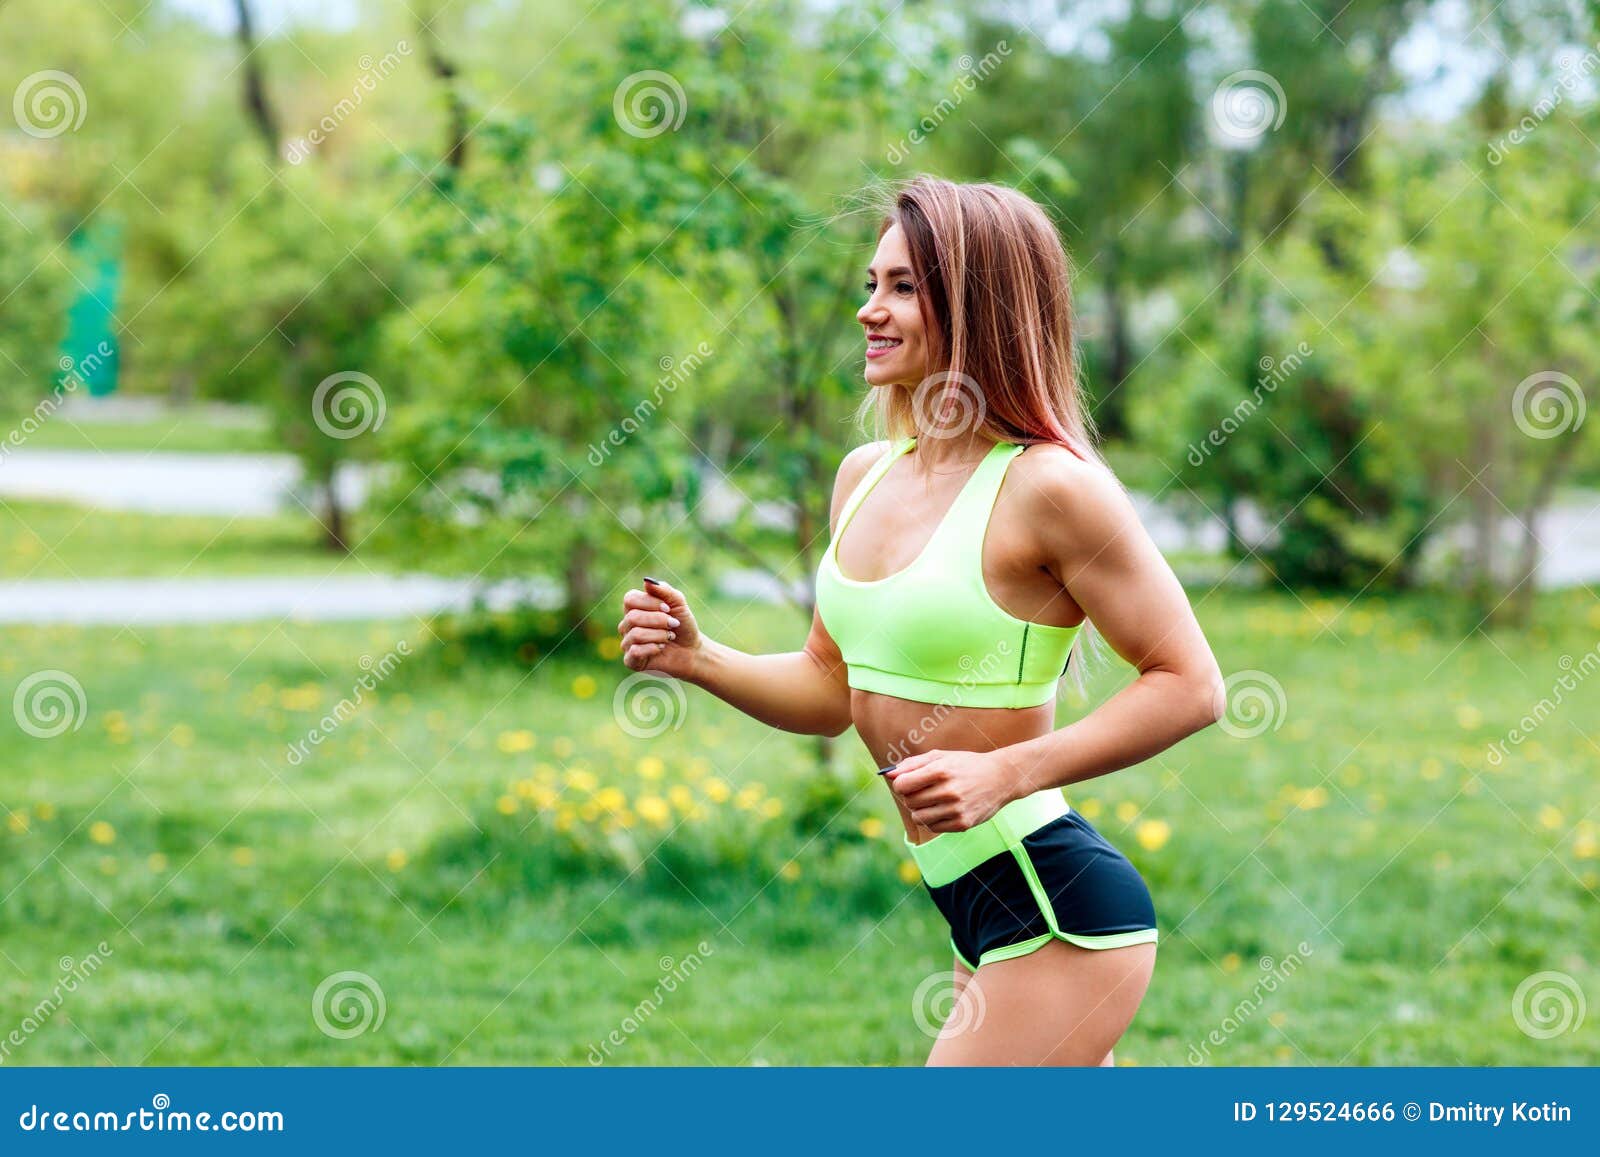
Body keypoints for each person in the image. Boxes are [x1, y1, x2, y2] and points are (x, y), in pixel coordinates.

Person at [617, 175, 1224, 1066]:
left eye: (903, 286)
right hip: (970, 897)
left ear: (979, 305)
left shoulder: (1050, 487)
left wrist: (1003, 773)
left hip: (1052, 902)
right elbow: (831, 686)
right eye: (871, 284)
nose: (870, 309)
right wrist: (701, 658)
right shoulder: (864, 474)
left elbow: (1191, 685)